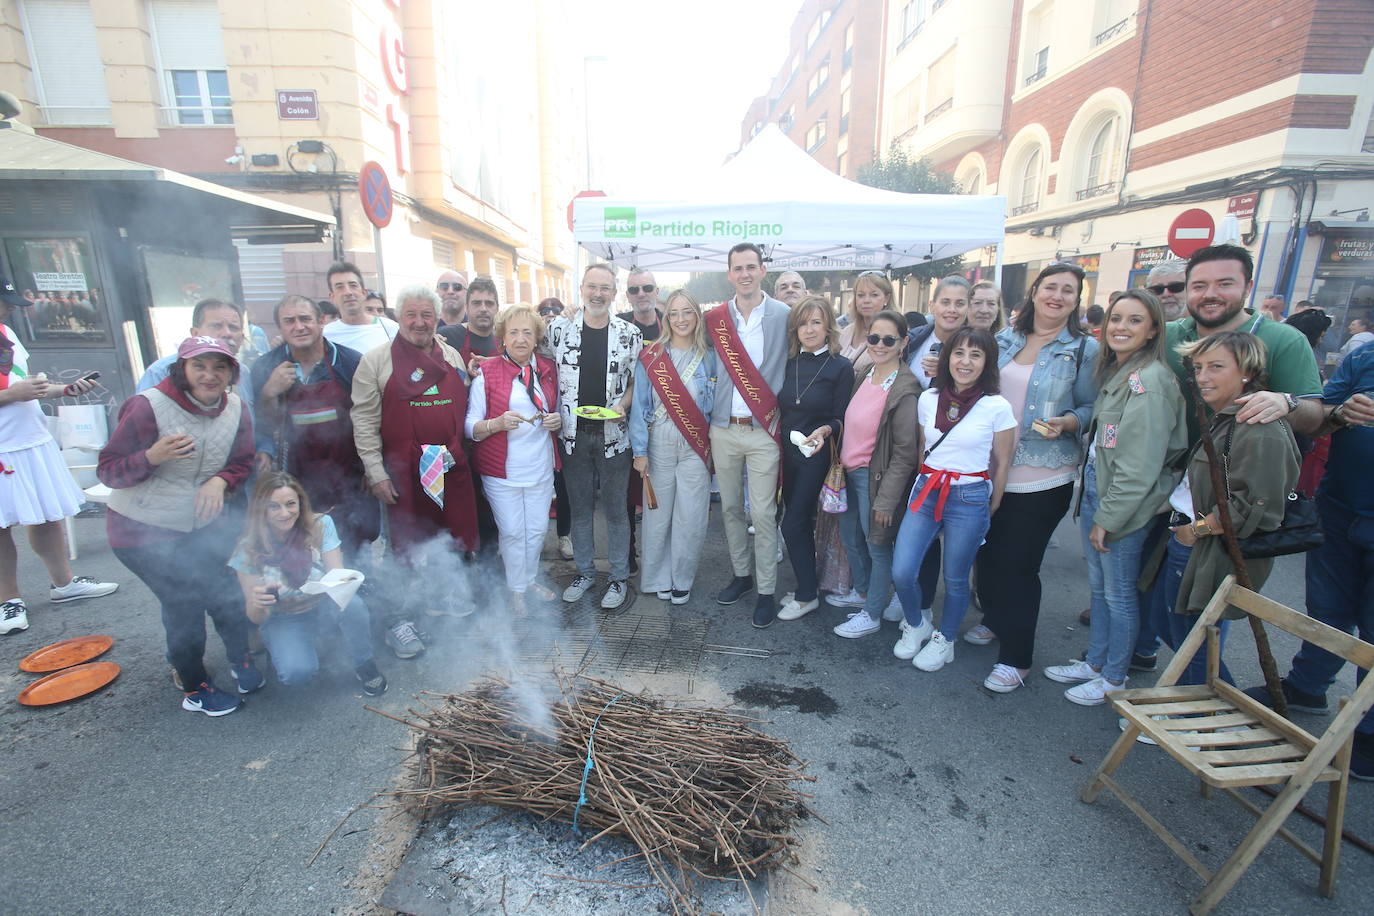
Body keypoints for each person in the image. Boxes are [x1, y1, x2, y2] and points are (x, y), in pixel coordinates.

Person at [99, 336, 260, 716]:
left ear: (231, 372)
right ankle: (195, 686)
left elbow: (243, 461)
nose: (210, 375)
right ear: (182, 369)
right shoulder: (146, 406)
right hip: (141, 530)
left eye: (219, 367)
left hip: (201, 526)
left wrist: (220, 481)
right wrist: (151, 456)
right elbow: (108, 470)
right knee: (184, 600)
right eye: (199, 366)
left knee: (226, 589)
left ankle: (242, 660)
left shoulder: (237, 408)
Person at [1042, 291, 1187, 704]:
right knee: (1103, 589)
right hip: (1102, 500)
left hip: (1121, 508)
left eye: (1135, 320)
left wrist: (1110, 517)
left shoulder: (1150, 383)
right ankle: (1096, 663)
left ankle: (1115, 678)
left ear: (1153, 330)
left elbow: (1139, 466)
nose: (1121, 327)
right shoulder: (1122, 373)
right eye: (1116, 318)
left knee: (1119, 594)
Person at [1243, 338, 1374, 779]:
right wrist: (1338, 414)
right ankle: (1307, 685)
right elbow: (1320, 418)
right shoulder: (1364, 355)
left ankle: (1370, 732)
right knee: (1326, 609)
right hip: (1340, 505)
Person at [973, 263, 1099, 693]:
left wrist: (1067, 421)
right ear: (1034, 292)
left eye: (1068, 290)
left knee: (1018, 565)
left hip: (1044, 474)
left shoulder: (1084, 350)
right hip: (989, 467)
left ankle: (1017, 658)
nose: (1058, 296)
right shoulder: (1003, 340)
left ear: (1076, 300)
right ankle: (994, 618)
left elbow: (1089, 410)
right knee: (986, 555)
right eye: (1051, 287)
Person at [1148, 333, 1300, 688]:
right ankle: (1208, 709)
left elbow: (1258, 507)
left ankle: (1210, 717)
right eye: (1198, 367)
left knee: (1194, 639)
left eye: (1216, 367)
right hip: (1189, 541)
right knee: (1170, 626)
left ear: (1246, 371)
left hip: (1205, 547)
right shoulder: (1226, 417)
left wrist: (1195, 531)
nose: (1202, 376)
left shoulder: (1258, 427)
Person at [351, 285, 479, 656]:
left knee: (450, 542)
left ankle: (442, 604)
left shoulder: (452, 354)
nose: (420, 322)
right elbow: (363, 421)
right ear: (398, 316)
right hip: (402, 474)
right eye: (412, 314)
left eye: (427, 315)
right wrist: (375, 471)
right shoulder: (376, 361)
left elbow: (465, 405)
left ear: (437, 318)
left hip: (449, 468)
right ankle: (399, 621)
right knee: (404, 550)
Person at [892, 326, 1015, 669]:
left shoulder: (997, 406)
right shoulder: (928, 398)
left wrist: (992, 502)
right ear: (947, 358)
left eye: (976, 355)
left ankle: (945, 640)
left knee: (957, 578)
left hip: (970, 496)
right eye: (959, 353)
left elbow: (1002, 462)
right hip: (927, 489)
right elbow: (921, 448)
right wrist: (921, 480)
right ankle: (917, 625)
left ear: (987, 362)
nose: (965, 361)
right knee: (902, 570)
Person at [0, 279, 117, 636]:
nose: (8, 309)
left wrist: (64, 389)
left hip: (33, 439)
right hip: (2, 446)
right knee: (1, 526)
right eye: (3, 302)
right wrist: (14, 393)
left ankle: (63, 583)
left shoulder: (7, 334)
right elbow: (15, 390)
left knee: (47, 515)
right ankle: (8, 600)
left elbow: (25, 386)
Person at [249, 295, 379, 564]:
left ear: (321, 321)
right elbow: (262, 425)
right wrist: (270, 392)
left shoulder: (349, 361)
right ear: (280, 328)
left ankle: (360, 598)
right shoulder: (265, 367)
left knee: (357, 548)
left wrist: (371, 466)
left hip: (349, 476)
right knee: (305, 553)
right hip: (296, 480)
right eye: (289, 321)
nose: (299, 327)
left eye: (305, 319)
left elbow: (370, 417)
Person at [231, 473, 386, 695]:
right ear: (260, 509)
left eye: (290, 504)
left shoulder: (320, 525)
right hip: (283, 617)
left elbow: (336, 575)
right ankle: (283, 649)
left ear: (300, 503)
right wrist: (259, 603)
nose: (285, 513)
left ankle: (364, 663)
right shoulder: (247, 549)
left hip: (323, 604)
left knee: (354, 605)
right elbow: (255, 617)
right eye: (274, 507)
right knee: (296, 674)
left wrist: (345, 581)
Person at [707, 243, 791, 626]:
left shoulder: (784, 315)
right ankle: (741, 576)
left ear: (763, 270)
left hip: (762, 429)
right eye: (737, 268)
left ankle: (767, 591)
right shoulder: (716, 319)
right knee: (729, 508)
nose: (744, 274)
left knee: (762, 512)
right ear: (729, 274)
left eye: (751, 267)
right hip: (724, 428)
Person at [549, 264, 641, 610]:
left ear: (614, 293)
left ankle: (618, 578)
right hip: (573, 436)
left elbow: (635, 382)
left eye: (605, 288)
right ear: (582, 289)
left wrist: (623, 404)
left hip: (614, 435)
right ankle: (585, 573)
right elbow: (537, 365)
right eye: (592, 287)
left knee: (617, 511)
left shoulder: (629, 334)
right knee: (581, 508)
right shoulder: (559, 330)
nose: (598, 294)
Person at [1163, 245, 1325, 442]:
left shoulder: (1285, 340)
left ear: (1248, 287)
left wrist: (1286, 403)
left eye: (1224, 284)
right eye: (1199, 286)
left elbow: (1314, 417)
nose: (1210, 294)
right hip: (1164, 468)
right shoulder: (1165, 335)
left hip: (1237, 468)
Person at [466, 304, 562, 611]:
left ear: (536, 339)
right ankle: (515, 588)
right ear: (502, 338)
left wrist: (557, 420)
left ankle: (529, 580)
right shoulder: (487, 372)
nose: (521, 339)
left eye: (527, 333)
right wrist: (496, 423)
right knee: (511, 531)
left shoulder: (548, 369)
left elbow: (559, 409)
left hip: (540, 466)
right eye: (513, 333)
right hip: (501, 471)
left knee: (535, 531)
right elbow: (470, 427)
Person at [832, 311, 920, 639]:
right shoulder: (867, 372)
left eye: (888, 340)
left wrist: (887, 499)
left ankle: (872, 615)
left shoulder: (905, 388)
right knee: (851, 538)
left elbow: (904, 452)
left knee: (877, 545)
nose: (880, 345)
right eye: (874, 338)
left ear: (903, 343)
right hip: (849, 471)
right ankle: (864, 592)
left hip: (875, 477)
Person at [629, 290, 717, 604]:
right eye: (674, 313)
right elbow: (639, 406)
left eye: (687, 312)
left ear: (697, 316)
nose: (681, 319)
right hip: (659, 440)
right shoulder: (652, 355)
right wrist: (639, 451)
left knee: (691, 516)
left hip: (695, 443)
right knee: (658, 514)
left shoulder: (710, 356)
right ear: (667, 318)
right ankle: (656, 578)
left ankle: (681, 578)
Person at [896, 274, 972, 626]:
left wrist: (944, 374)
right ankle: (910, 594)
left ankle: (926, 605)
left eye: (960, 303)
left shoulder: (974, 346)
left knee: (938, 536)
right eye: (946, 302)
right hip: (908, 450)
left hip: (948, 459)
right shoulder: (919, 338)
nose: (952, 309)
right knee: (911, 530)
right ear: (933, 306)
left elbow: (980, 398)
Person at [772, 297, 852, 622]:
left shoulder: (840, 366)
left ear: (828, 326)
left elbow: (842, 417)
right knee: (798, 521)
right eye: (803, 323)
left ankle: (807, 596)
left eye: (816, 322)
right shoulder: (788, 362)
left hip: (816, 455)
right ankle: (808, 586)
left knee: (791, 523)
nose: (809, 329)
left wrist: (826, 430)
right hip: (787, 455)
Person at [137, 298, 256, 423]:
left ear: (242, 338)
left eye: (233, 327)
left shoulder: (243, 372)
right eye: (216, 326)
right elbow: (139, 428)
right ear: (195, 333)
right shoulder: (160, 371)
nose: (226, 333)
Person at [536, 298, 574, 560]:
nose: (550, 315)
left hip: (562, 427)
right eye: (544, 312)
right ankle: (535, 539)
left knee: (563, 487)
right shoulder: (528, 346)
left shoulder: (567, 341)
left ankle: (564, 536)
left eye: (555, 311)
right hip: (534, 430)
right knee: (536, 487)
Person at [322, 262, 398, 355]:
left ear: (364, 293)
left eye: (353, 285)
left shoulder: (390, 328)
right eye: (340, 287)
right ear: (332, 297)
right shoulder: (326, 335)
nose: (348, 292)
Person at [439, 275, 500, 376]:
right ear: (466, 307)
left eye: (489, 303)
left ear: (497, 308)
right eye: (476, 303)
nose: (483, 309)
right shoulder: (445, 336)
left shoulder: (505, 341)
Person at [837, 271, 894, 378]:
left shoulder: (893, 335)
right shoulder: (846, 332)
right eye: (861, 295)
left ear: (886, 298)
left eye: (874, 295)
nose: (866, 300)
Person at [618, 268, 664, 341]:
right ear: (628, 296)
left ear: (657, 292)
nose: (641, 294)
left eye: (647, 288)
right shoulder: (617, 325)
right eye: (634, 290)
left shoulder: (670, 323)